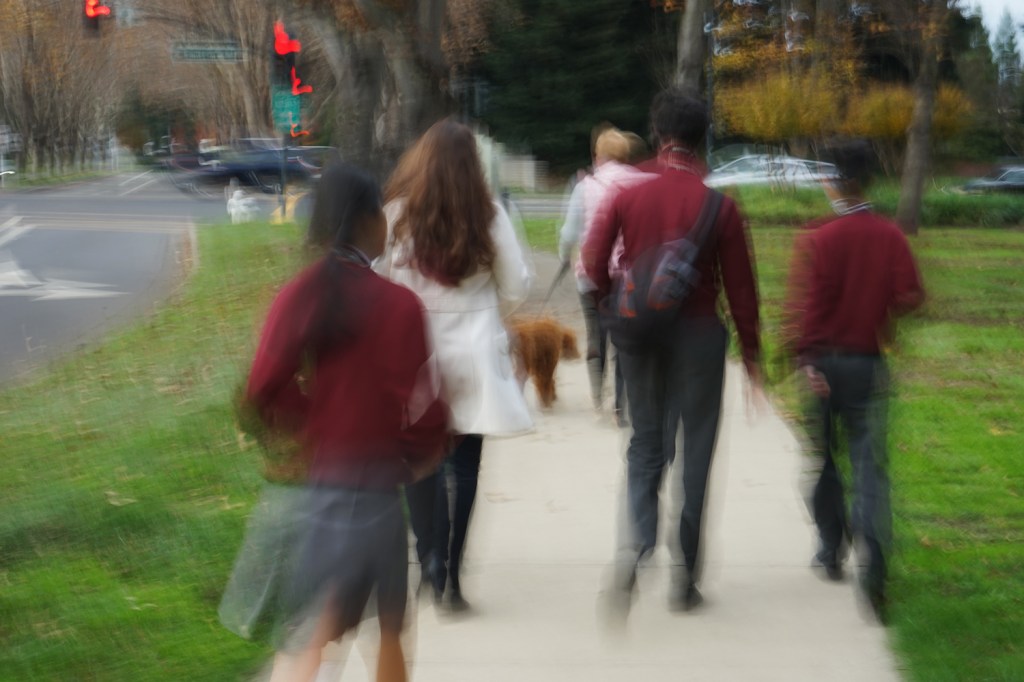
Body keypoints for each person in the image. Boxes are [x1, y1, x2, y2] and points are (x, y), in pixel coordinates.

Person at [243, 162, 450, 682]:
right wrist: (420, 450)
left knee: (311, 632)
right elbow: (425, 405)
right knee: (390, 631)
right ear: (364, 220)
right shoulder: (400, 305)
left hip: (320, 490)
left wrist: (314, 424)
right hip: (377, 491)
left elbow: (262, 386)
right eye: (381, 212)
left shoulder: (300, 295)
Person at [583, 88, 763, 612]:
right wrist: (752, 358)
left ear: (658, 134)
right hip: (701, 336)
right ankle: (686, 577)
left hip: (641, 333)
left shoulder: (627, 194)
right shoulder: (720, 206)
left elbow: (593, 263)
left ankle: (636, 546)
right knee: (697, 451)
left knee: (646, 445)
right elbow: (742, 290)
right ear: (702, 138)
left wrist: (611, 311)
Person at [377, 119, 533, 612]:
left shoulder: (397, 215)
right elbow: (516, 286)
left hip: (416, 354)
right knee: (464, 468)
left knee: (420, 463)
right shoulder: (488, 215)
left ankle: (429, 563)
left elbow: (378, 279)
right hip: (474, 350)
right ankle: (454, 577)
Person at [780, 139, 924, 623]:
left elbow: (807, 307)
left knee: (824, 458)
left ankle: (829, 548)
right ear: (870, 179)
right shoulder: (890, 236)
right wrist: (883, 316)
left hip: (822, 363)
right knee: (868, 461)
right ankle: (874, 554)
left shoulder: (819, 237)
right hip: (867, 362)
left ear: (831, 182)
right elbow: (911, 295)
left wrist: (804, 359)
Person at [558, 127, 652, 424]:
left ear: (598, 156)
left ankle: (599, 398)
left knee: (596, 336)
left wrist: (564, 256)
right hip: (630, 275)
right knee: (625, 341)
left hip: (591, 276)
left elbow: (569, 232)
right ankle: (621, 405)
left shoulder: (585, 186)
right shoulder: (644, 184)